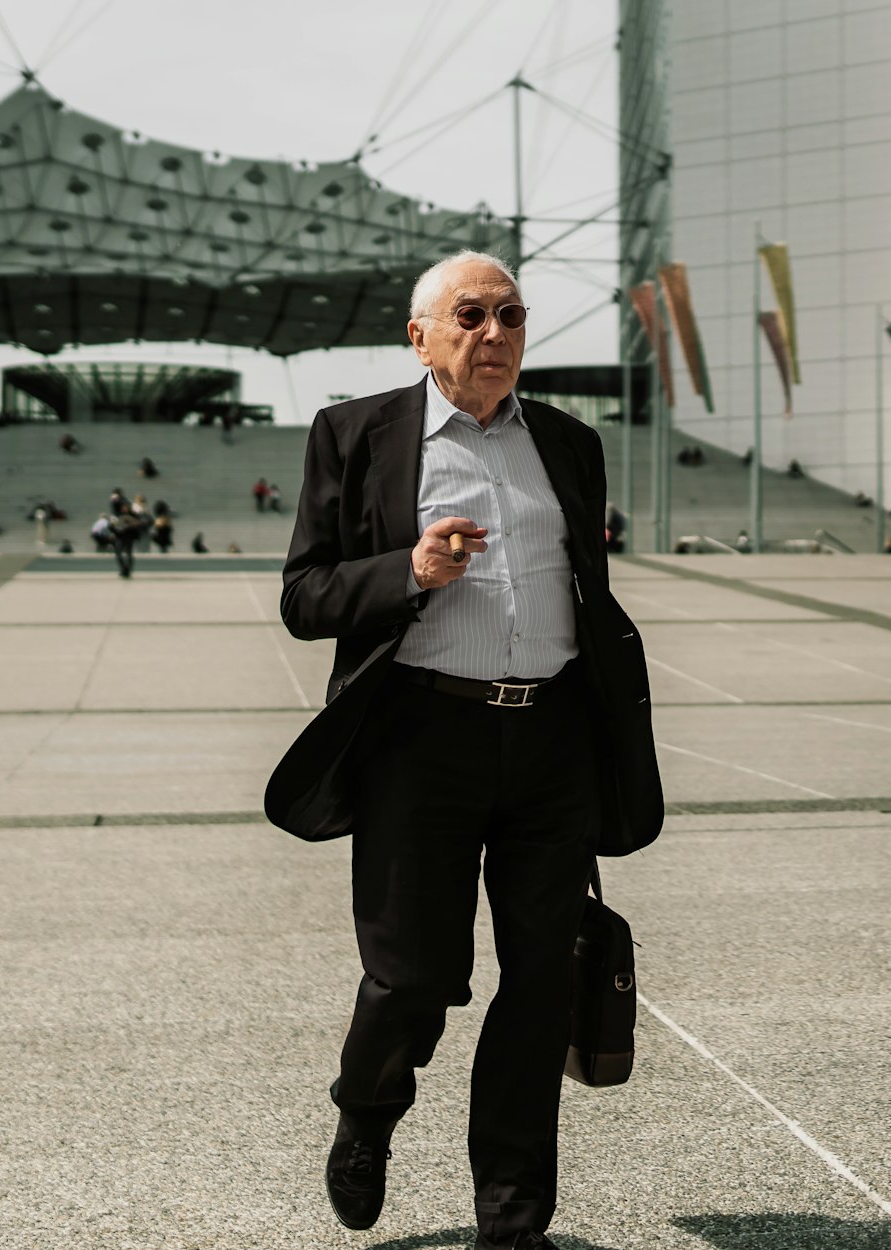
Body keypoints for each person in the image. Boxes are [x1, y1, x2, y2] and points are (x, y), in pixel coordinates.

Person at [265, 251, 663, 1250]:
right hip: (419, 738)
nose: (495, 334)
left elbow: (586, 583)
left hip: (551, 742)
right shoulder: (357, 436)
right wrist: (407, 569)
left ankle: (512, 1218)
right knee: (411, 976)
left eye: (512, 315)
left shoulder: (567, 441)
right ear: (421, 335)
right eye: (471, 315)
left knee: (539, 983)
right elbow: (305, 594)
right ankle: (366, 1107)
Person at [109, 504, 141, 578]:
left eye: (126, 507)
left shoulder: (132, 516)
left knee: (129, 554)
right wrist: (115, 529)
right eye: (123, 507)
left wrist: (129, 527)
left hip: (129, 537)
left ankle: (128, 570)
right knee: (118, 554)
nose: (124, 509)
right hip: (120, 537)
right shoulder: (117, 516)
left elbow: (138, 525)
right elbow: (111, 526)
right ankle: (123, 569)